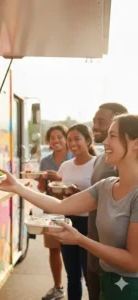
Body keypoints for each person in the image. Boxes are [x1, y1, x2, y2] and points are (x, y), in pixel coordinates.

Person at [0, 114, 138, 300]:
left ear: (136, 144)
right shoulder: (106, 186)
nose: (104, 142)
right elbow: (61, 205)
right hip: (108, 283)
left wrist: (80, 239)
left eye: (112, 136)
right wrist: (17, 187)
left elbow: (133, 262)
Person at [49, 124, 97, 300]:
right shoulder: (66, 166)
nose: (72, 143)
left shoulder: (97, 164)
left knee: (89, 275)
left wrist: (77, 193)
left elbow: (100, 198)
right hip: (67, 221)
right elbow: (60, 191)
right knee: (72, 275)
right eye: (69, 139)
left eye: (77, 138)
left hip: (88, 224)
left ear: (88, 140)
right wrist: (60, 192)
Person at [88, 103, 128, 299]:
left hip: (119, 261)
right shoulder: (101, 159)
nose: (95, 126)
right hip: (95, 246)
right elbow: (95, 196)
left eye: (101, 122)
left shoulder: (122, 164)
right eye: (94, 120)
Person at [38, 125, 73, 300]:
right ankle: (58, 287)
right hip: (51, 210)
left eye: (60, 136)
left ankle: (76, 285)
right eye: (52, 137)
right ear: (48, 142)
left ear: (66, 139)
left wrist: (59, 179)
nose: (56, 140)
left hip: (74, 210)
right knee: (54, 250)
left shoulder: (74, 158)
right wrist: (41, 181)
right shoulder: (45, 162)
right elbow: (42, 189)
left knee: (75, 250)